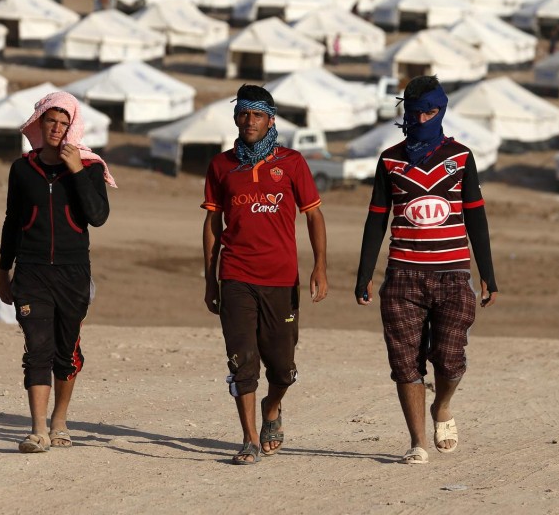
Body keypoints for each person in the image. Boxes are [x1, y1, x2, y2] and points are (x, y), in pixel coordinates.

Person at [354, 74, 498, 465]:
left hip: (453, 274)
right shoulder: (389, 160)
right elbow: (375, 221)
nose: (421, 121)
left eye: (430, 113)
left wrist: (487, 272)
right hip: (402, 276)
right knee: (405, 361)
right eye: (415, 114)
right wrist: (364, 273)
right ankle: (417, 441)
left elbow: (476, 219)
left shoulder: (462, 158)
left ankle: (442, 406)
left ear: (442, 111)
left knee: (451, 358)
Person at [201, 84, 329, 465]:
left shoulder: (291, 162)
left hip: (281, 278)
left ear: (270, 119)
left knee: (283, 369)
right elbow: (212, 222)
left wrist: (320, 265)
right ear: (236, 117)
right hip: (236, 273)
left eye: (257, 114)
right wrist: (211, 278)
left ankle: (272, 408)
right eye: (243, 113)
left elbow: (314, 215)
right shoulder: (221, 166)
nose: (249, 121)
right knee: (242, 359)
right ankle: (249, 439)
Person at [0, 91, 116, 453]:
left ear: (72, 128)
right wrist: (4, 270)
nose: (57, 129)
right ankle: (37, 429)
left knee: (67, 351)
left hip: (73, 272)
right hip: (31, 271)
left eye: (65, 123)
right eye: (52, 121)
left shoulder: (91, 168)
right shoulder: (22, 168)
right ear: (40, 121)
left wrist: (77, 170)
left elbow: (98, 217)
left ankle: (59, 421)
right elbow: (12, 221)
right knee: (37, 349)